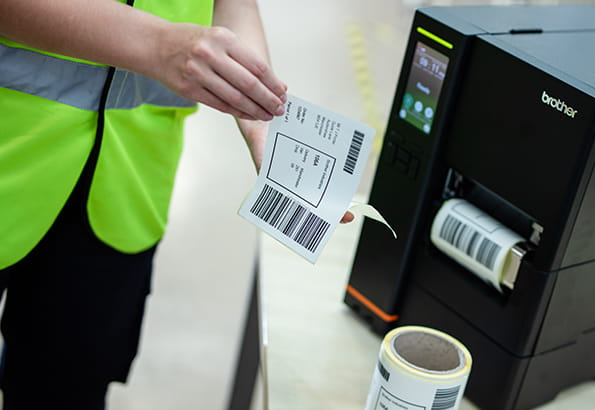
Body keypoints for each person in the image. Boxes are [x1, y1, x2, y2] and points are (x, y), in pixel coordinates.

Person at [0, 0, 353, 408]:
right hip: (11, 151)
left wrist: (258, 108)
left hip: (125, 185)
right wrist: (159, 44)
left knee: (64, 389)